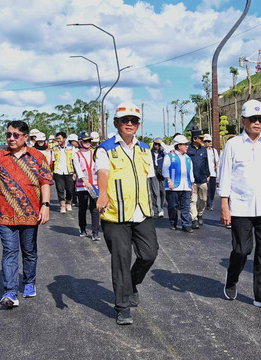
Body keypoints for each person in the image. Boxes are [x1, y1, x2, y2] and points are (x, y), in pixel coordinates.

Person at [95, 101, 159, 325]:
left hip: (141, 211)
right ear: (116, 123)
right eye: (125, 120)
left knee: (150, 253)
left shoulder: (144, 148)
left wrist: (157, 204)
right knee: (121, 260)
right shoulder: (106, 148)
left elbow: (150, 177)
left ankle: (131, 284)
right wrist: (102, 194)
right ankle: (122, 306)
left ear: (138, 125)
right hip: (115, 213)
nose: (129, 124)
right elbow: (102, 172)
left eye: (134, 121)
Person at [219, 99, 261, 311]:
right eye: (253, 119)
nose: (257, 123)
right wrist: (224, 205)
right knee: (242, 250)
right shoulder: (233, 145)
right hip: (240, 207)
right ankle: (232, 277)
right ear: (243, 121)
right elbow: (225, 176)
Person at [0, 121, 52, 308]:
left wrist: (45, 206)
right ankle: (10, 292)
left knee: (29, 251)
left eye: (15, 135)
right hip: (4, 215)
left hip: (30, 215)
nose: (11, 138)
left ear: (26, 137)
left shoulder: (37, 157)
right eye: (8, 134)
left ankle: (29, 281)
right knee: (10, 252)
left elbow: (45, 182)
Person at [162, 134, 195, 232]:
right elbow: (165, 170)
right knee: (172, 206)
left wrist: (192, 184)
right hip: (173, 187)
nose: (187, 146)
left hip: (186, 186)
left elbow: (190, 172)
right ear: (178, 146)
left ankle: (186, 224)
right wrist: (169, 180)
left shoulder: (188, 158)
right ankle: (173, 222)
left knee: (186, 206)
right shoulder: (170, 157)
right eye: (185, 144)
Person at [73, 131, 100, 240]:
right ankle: (83, 228)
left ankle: (95, 232)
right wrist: (85, 181)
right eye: (85, 141)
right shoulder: (76, 154)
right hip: (82, 186)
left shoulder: (94, 152)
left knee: (95, 209)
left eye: (89, 140)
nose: (88, 142)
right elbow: (78, 169)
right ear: (80, 141)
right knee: (83, 208)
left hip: (94, 185)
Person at [187, 129, 210, 229]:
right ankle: (194, 219)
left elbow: (206, 162)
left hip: (202, 178)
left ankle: (200, 213)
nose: (202, 140)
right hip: (192, 180)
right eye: (200, 138)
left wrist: (208, 174)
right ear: (194, 139)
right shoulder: (188, 149)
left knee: (204, 199)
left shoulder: (203, 149)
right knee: (193, 200)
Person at [52, 131, 75, 213]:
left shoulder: (71, 148)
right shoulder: (54, 148)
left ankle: (68, 202)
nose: (58, 140)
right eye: (57, 138)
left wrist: (75, 172)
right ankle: (62, 205)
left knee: (70, 189)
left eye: (60, 138)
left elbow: (74, 160)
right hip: (58, 171)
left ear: (64, 139)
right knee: (60, 189)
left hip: (69, 171)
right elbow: (53, 161)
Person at [150, 138, 166, 218]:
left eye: (159, 144)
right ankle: (158, 209)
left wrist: (162, 145)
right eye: (155, 144)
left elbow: (167, 152)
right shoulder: (150, 153)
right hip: (153, 173)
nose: (157, 146)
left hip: (162, 173)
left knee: (163, 192)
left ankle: (161, 207)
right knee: (156, 192)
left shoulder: (163, 153)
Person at [204, 134, 220, 211]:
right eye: (205, 141)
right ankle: (208, 204)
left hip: (213, 173)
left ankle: (211, 201)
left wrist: (216, 167)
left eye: (208, 141)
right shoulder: (201, 151)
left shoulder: (214, 151)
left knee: (212, 189)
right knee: (206, 189)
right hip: (204, 174)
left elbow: (217, 161)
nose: (207, 143)